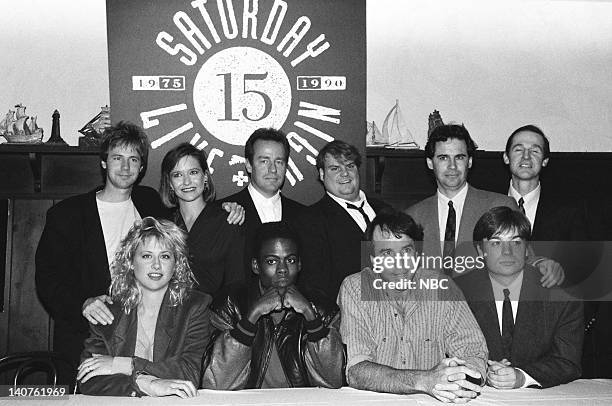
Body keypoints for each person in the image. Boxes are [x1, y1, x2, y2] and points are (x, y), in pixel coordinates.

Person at [35, 122, 168, 386]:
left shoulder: (150, 203)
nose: (125, 167)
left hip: (144, 337)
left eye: (134, 159)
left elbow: (176, 248)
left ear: (142, 168)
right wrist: (82, 303)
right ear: (104, 162)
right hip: (87, 336)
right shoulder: (67, 214)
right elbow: (47, 280)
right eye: (117, 158)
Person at [338, 208, 488, 403]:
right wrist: (424, 380)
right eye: (387, 253)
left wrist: (457, 378)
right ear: (373, 260)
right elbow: (357, 371)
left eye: (406, 251)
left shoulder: (443, 288)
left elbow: (473, 352)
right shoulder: (355, 287)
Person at [405, 124, 564, 286]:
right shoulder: (413, 216)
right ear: (430, 163)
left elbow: (525, 256)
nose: (452, 166)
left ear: (470, 162)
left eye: (459, 157)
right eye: (443, 157)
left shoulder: (501, 205)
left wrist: (543, 264)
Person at [77, 217, 212, 397]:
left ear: (176, 264)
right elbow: (88, 378)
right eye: (147, 256)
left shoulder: (195, 307)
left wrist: (126, 364)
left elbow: (190, 372)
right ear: (131, 262)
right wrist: (144, 383)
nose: (156, 265)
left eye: (165, 256)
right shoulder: (107, 311)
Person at [202, 222, 343, 389]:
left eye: (290, 260)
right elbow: (217, 383)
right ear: (256, 266)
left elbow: (333, 381)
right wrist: (251, 316)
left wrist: (310, 315)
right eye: (271, 261)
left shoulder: (321, 307)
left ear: (299, 265)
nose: (282, 269)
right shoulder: (231, 304)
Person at [455, 207, 583, 389]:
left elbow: (568, 361)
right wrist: (482, 370)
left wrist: (522, 376)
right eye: (496, 243)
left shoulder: (562, 297)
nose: (507, 252)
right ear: (480, 250)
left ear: (526, 250)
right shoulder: (456, 293)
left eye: (516, 242)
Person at [300, 140, 390, 298]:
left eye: (350, 166)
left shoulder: (387, 211)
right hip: (347, 314)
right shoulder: (310, 220)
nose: (345, 173)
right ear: (322, 174)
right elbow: (315, 283)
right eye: (335, 168)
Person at [159, 142, 246, 295]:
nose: (186, 182)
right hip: (171, 314)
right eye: (177, 175)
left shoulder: (228, 221)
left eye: (193, 172)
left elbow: (237, 282)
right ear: (170, 183)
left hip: (215, 314)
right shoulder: (164, 227)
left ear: (205, 177)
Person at [221, 128, 304, 280]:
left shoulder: (304, 216)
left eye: (279, 162)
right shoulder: (225, 213)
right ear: (248, 165)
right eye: (264, 161)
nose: (273, 169)